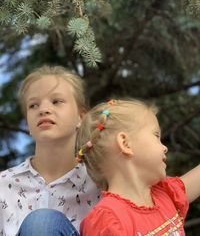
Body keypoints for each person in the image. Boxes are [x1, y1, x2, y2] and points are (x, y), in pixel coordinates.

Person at [75, 99, 200, 236]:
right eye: (156, 135)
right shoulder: (107, 220)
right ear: (125, 143)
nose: (165, 147)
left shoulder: (165, 194)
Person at [0, 65, 99, 236]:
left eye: (56, 101)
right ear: (28, 123)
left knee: (42, 223)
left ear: (81, 117)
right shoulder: (3, 186)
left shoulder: (100, 183)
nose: (43, 110)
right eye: (33, 105)